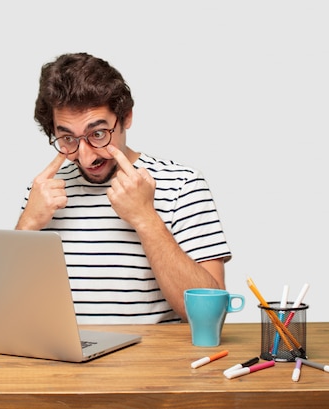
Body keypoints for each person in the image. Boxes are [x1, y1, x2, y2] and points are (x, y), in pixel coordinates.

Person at [16, 52, 232, 325]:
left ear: (126, 117)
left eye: (98, 134)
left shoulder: (183, 185)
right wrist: (27, 225)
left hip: (149, 365)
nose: (86, 157)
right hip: (64, 364)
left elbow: (212, 318)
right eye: (68, 138)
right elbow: (4, 310)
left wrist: (145, 218)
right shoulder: (43, 193)